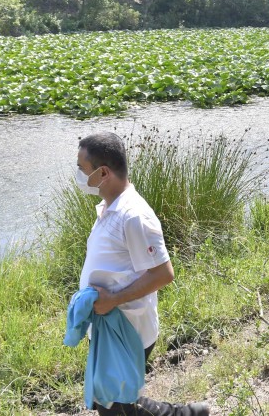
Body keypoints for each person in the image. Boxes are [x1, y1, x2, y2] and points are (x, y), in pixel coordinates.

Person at [74, 132, 209, 416]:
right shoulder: (108, 207)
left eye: (82, 169)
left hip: (128, 329)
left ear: (103, 173)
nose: (78, 175)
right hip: (107, 327)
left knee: (113, 405)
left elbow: (163, 273)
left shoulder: (134, 216)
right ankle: (190, 413)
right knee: (113, 400)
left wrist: (112, 299)